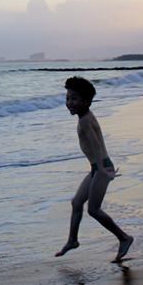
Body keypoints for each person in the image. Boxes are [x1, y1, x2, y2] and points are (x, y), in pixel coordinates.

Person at [55, 76, 134, 262]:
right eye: (67, 98)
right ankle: (72, 240)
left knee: (94, 210)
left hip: (101, 167)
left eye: (74, 99)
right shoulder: (86, 116)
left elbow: (97, 146)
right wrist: (97, 168)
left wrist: (101, 170)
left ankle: (124, 238)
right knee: (76, 203)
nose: (69, 103)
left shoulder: (84, 121)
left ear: (86, 101)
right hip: (97, 167)